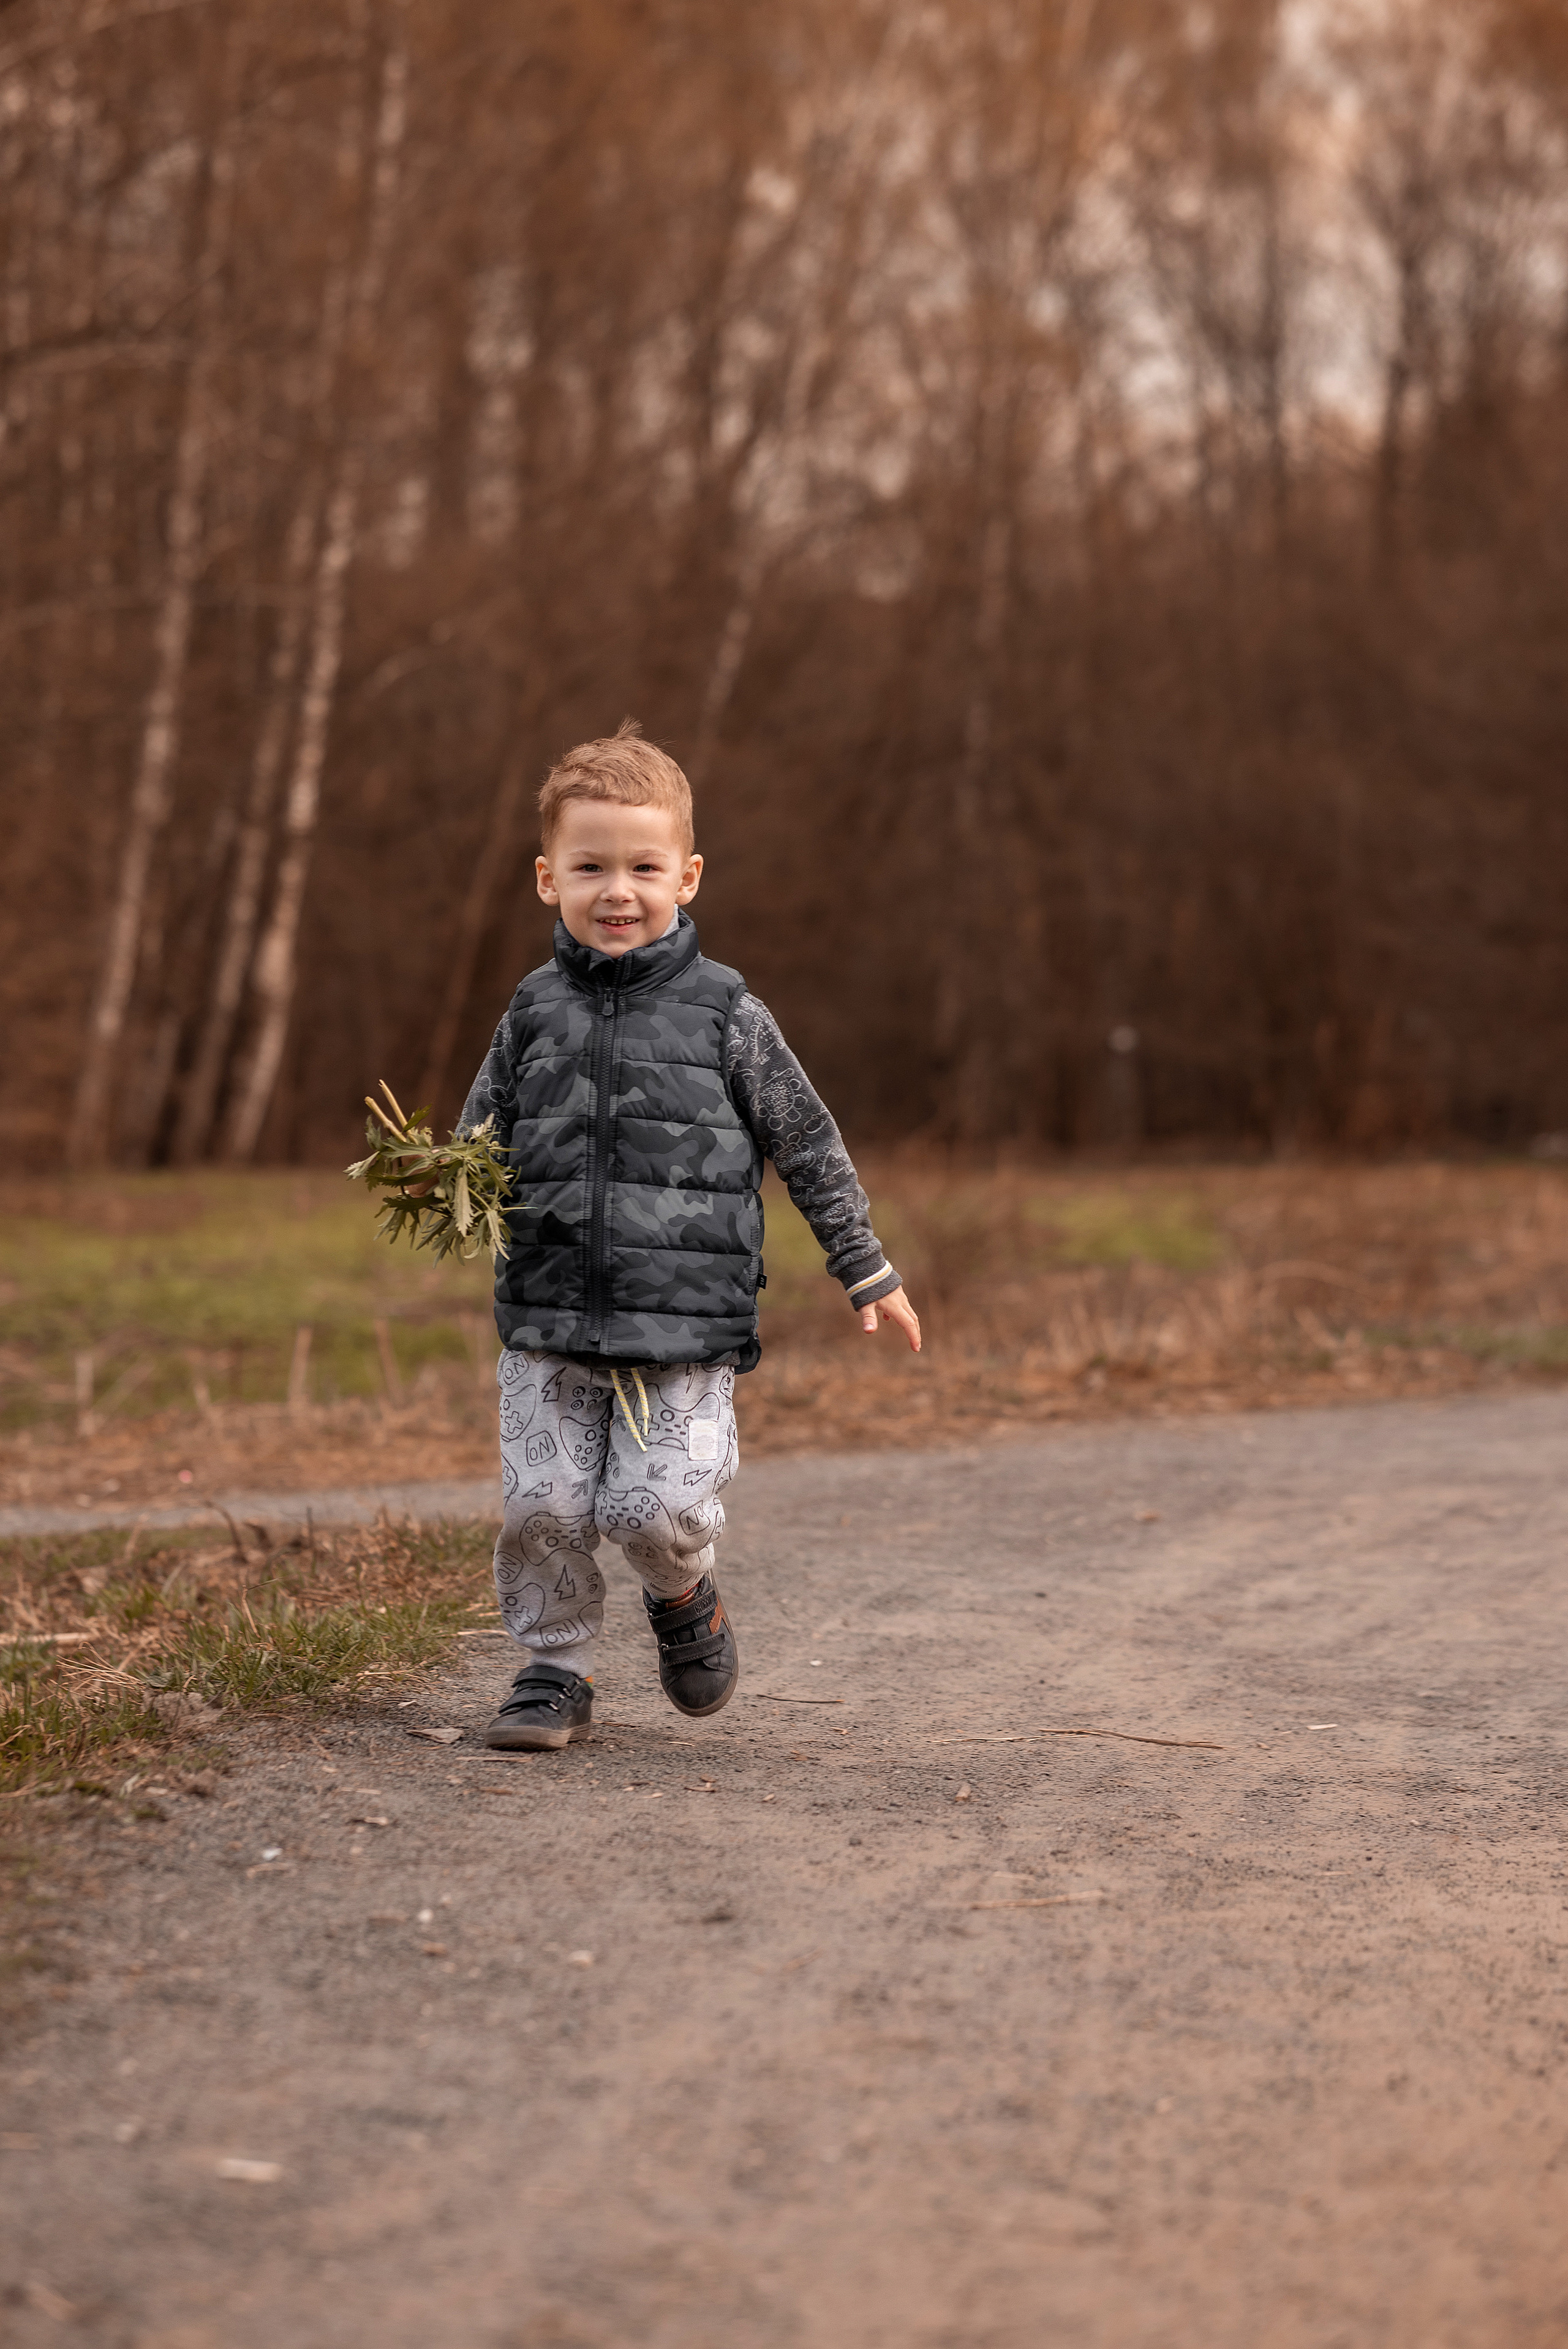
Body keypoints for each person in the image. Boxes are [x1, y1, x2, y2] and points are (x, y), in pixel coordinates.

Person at [458, 721, 921, 1750]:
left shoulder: (726, 1015)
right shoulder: (531, 1010)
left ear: (689, 875)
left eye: (643, 866)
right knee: (545, 1508)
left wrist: (865, 1265)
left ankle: (683, 1594)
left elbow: (805, 1139)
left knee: (653, 1512)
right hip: (547, 1315)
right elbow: (479, 1133)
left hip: (683, 1328)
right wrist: (444, 1179)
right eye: (590, 866)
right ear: (548, 879)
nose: (617, 890)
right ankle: (553, 1669)